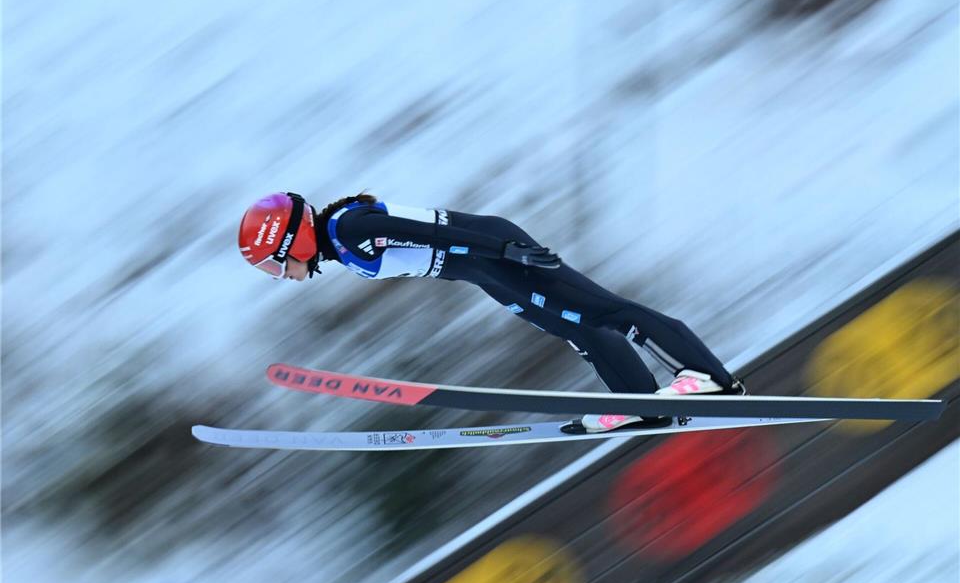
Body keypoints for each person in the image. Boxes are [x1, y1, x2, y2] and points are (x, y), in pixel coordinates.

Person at [238, 192, 745, 432]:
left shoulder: (348, 230)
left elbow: (434, 235)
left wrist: (506, 253)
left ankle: (706, 378)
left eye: (275, 266)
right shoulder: (342, 241)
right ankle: (642, 401)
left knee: (605, 312)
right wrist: (492, 265)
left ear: (289, 241)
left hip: (493, 255)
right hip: (483, 270)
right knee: (580, 330)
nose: (281, 277)